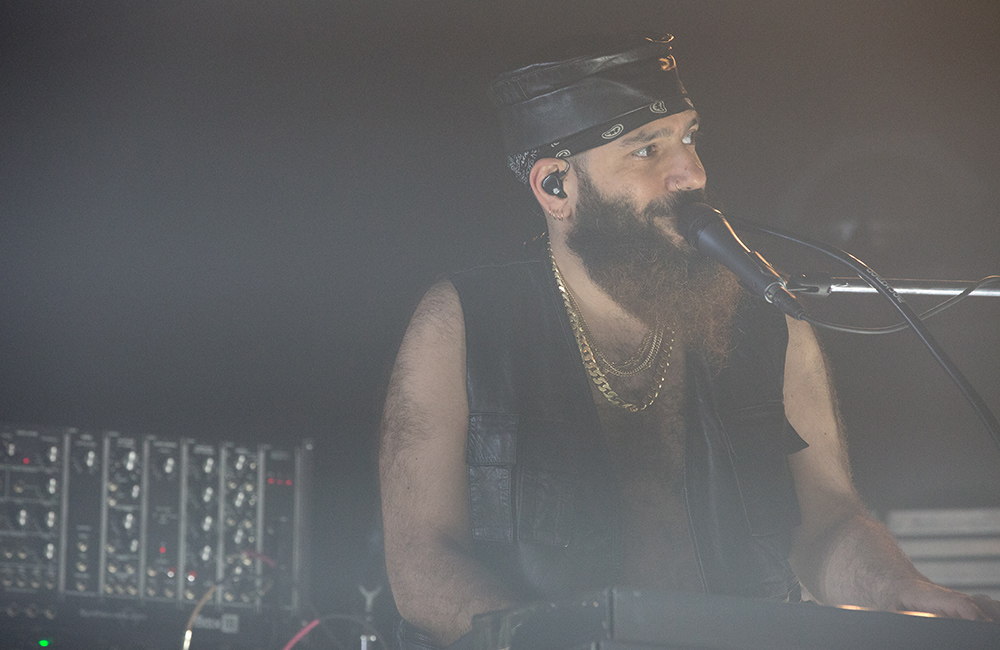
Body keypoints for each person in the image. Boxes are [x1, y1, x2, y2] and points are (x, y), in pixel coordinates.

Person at [378, 33, 1000, 649]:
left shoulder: (765, 312)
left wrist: (902, 590)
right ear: (555, 187)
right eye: (647, 150)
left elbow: (829, 523)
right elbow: (421, 565)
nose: (692, 174)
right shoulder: (461, 322)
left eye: (689, 137)